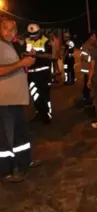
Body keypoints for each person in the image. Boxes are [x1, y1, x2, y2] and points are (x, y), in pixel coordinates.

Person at [0, 19, 36, 182]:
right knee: (7, 137)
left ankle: (24, 163)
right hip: (4, 100)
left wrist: (23, 64)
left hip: (16, 99)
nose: (10, 32)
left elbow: (11, 65)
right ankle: (8, 170)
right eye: (6, 29)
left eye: (12, 29)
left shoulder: (10, 45)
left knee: (20, 134)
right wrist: (21, 63)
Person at [25, 23, 53, 124]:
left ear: (39, 31)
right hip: (31, 74)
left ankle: (47, 115)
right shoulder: (27, 41)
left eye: (35, 34)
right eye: (31, 34)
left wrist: (37, 54)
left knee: (44, 96)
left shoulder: (45, 41)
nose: (33, 36)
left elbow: (50, 55)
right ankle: (39, 113)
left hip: (43, 73)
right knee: (35, 95)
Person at [80, 32, 96, 104]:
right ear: (91, 37)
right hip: (87, 68)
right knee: (88, 83)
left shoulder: (93, 46)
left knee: (88, 84)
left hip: (90, 68)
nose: (95, 38)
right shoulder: (85, 46)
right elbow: (85, 57)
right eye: (94, 36)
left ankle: (87, 96)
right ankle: (86, 97)